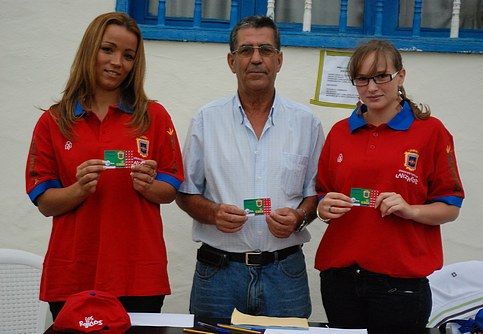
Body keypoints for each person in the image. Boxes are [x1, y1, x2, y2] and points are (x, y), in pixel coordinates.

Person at [25, 12, 184, 320]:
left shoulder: (155, 116)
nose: (117, 62)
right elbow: (45, 203)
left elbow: (170, 189)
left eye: (128, 55)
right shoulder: (53, 121)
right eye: (107, 49)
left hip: (139, 275)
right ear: (90, 50)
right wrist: (78, 189)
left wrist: (149, 186)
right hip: (73, 274)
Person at [176, 15, 324, 319]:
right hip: (217, 272)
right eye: (246, 51)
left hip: (285, 273)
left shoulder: (306, 123)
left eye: (266, 50)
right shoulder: (206, 120)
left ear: (279, 60)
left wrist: (299, 217)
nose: (256, 59)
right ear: (232, 62)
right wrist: (213, 214)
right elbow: (185, 193)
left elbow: (316, 195)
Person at [315, 39, 465, 332]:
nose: (372, 87)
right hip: (341, 279)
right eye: (362, 79)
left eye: (381, 76)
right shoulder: (339, 133)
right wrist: (324, 207)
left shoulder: (431, 132)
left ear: (401, 76)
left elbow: (450, 207)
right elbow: (322, 194)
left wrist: (410, 210)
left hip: (401, 285)